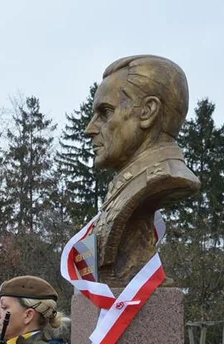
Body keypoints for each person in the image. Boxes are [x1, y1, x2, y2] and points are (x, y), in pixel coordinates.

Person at [85, 55, 200, 285]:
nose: (90, 129)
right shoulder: (126, 184)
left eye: (105, 112)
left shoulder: (162, 177)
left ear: (147, 111)